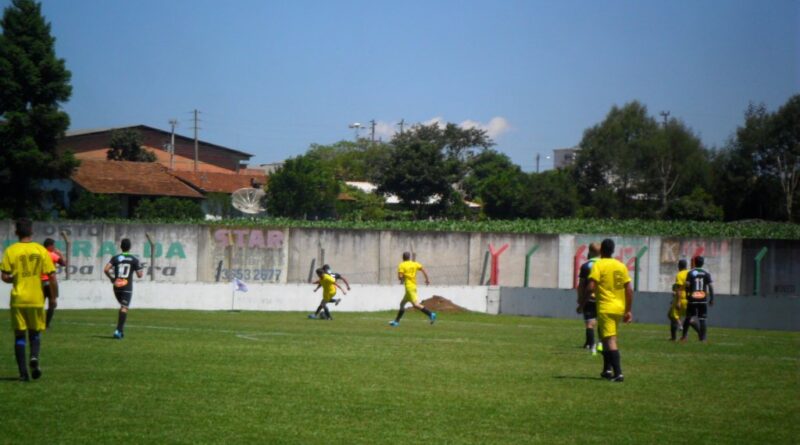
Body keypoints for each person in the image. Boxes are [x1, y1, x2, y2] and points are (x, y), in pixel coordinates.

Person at [1, 219, 57, 381]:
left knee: (19, 336)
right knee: (34, 333)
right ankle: (34, 357)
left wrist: (16, 279)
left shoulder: (11, 250)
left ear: (16, 232)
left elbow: (4, 276)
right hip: (36, 298)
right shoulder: (40, 250)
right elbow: (51, 277)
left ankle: (23, 374)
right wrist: (53, 298)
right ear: (32, 231)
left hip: (18, 298)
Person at [587, 239, 633, 382]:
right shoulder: (621, 266)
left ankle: (618, 373)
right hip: (619, 307)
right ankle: (607, 370)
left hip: (606, 306)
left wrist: (587, 297)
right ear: (613, 250)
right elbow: (629, 289)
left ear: (601, 251)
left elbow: (591, 286)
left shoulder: (598, 264)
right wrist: (628, 310)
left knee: (609, 340)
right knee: (606, 337)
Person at [103, 238, 143, 339]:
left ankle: (120, 331)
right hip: (127, 287)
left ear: (121, 247)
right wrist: (139, 268)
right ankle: (118, 331)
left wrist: (112, 279)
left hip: (116, 286)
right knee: (124, 308)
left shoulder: (115, 258)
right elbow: (140, 275)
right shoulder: (134, 259)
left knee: (122, 307)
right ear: (130, 247)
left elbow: (106, 269)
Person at [389, 252, 436, 327]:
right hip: (413, 286)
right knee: (402, 304)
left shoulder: (402, 265)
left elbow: (400, 277)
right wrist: (427, 280)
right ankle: (396, 322)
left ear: (403, 258)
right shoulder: (414, 263)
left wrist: (402, 278)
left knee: (416, 305)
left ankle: (431, 314)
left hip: (409, 287)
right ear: (409, 257)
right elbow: (423, 270)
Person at [680, 256, 714, 342]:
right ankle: (703, 339)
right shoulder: (706, 273)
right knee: (702, 319)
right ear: (703, 263)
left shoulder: (691, 272)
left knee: (688, 318)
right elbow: (710, 286)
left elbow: (687, 284)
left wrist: (688, 294)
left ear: (694, 262)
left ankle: (684, 337)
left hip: (693, 298)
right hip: (702, 299)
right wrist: (712, 298)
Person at [576, 242, 601, 353]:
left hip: (589, 297)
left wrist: (580, 299)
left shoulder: (586, 266)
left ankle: (591, 345)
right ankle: (601, 343)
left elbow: (581, 285)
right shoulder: (606, 264)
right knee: (602, 322)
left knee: (589, 323)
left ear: (590, 252)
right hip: (603, 298)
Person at [41, 238, 66, 329]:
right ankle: (46, 325)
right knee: (52, 303)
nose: (54, 247)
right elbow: (63, 263)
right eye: (53, 245)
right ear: (50, 246)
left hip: (39, 282)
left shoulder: (39, 254)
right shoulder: (52, 254)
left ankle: (38, 323)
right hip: (50, 281)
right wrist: (59, 254)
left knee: (40, 303)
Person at [668, 259, 689, 341]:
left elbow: (679, 289)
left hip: (681, 298)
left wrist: (678, 301)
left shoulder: (679, 274)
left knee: (672, 316)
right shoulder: (689, 273)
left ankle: (680, 327)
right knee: (689, 318)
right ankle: (701, 336)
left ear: (679, 266)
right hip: (688, 298)